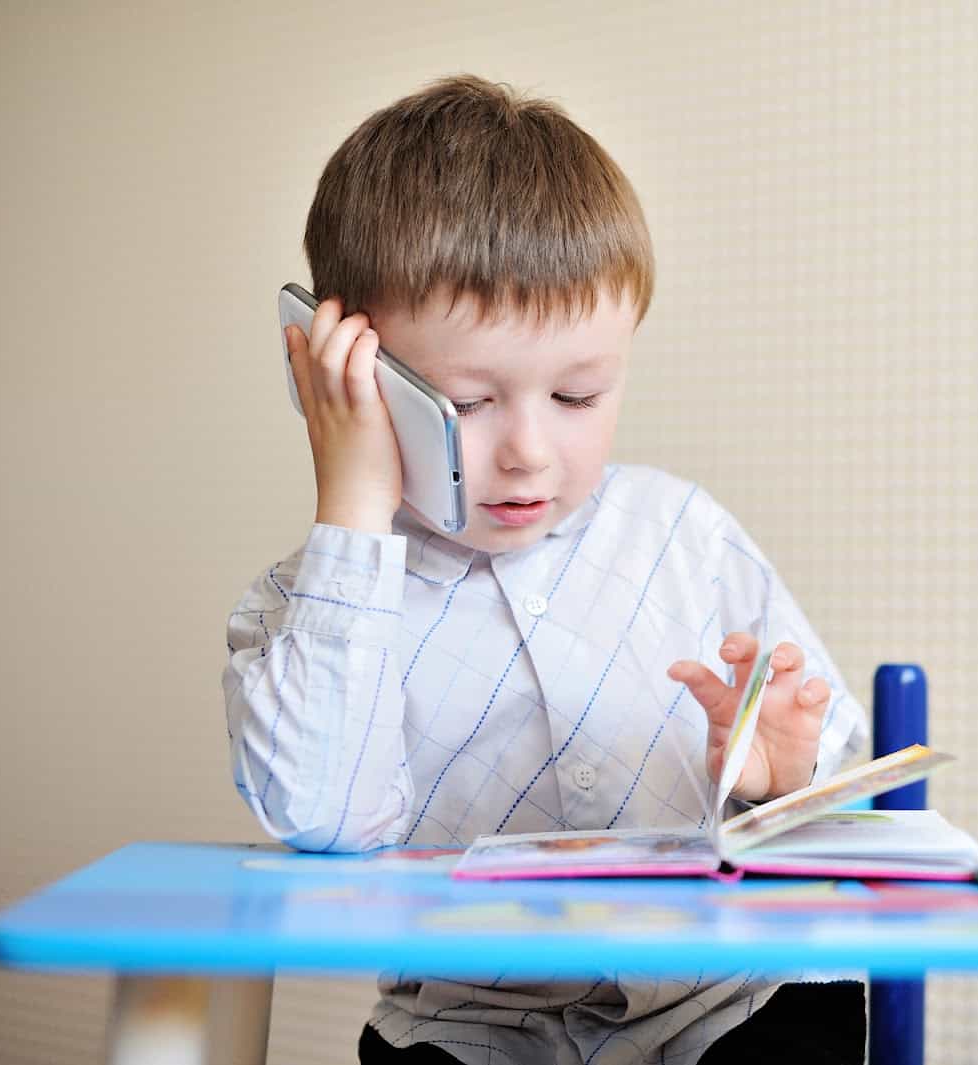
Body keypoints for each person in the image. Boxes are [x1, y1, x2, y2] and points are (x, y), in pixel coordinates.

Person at [221, 73, 870, 1065]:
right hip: (468, 1029)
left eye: (577, 394)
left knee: (813, 1009)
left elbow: (839, 791)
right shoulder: (308, 605)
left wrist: (778, 778)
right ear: (353, 379)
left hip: (724, 1006)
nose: (530, 451)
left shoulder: (680, 532)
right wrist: (351, 507)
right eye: (468, 403)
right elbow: (326, 821)